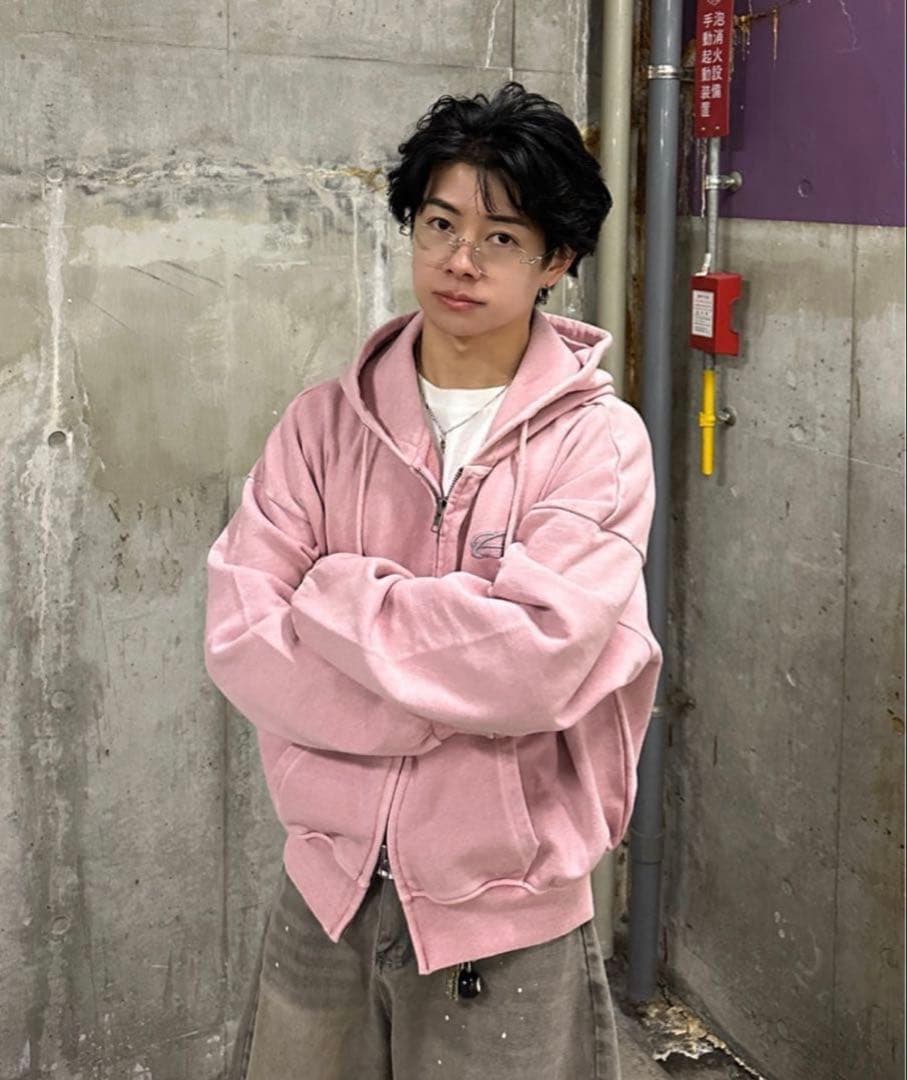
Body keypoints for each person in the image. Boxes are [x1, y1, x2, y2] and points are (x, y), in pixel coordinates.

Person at [204, 81, 661, 1080]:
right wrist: (454, 698)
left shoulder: (598, 444)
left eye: (501, 237)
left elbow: (535, 660)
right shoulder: (320, 427)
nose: (460, 259)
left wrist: (332, 598)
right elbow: (240, 638)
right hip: (324, 886)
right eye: (440, 223)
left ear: (556, 259)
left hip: (506, 912)